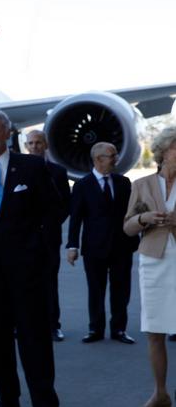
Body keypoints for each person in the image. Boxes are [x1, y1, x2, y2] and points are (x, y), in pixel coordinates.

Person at [0, 110, 59, 407]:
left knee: (35, 341)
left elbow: (54, 211)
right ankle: (7, 398)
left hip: (28, 274)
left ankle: (44, 399)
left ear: (8, 134)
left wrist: (42, 254)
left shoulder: (31, 167)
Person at [122, 126, 176, 407]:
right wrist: (145, 220)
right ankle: (161, 393)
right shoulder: (141, 185)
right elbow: (128, 227)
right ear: (164, 152)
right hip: (153, 262)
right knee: (154, 331)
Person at [66, 142, 139, 345]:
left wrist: (136, 238)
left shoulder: (123, 182)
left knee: (121, 290)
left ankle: (119, 329)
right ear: (98, 159)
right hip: (94, 248)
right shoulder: (82, 185)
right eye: (111, 155)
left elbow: (131, 213)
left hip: (122, 247)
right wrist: (72, 246)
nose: (116, 158)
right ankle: (95, 329)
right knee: (96, 290)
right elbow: (76, 219)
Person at [23, 130, 70, 342]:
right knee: (24, 283)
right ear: (26, 146)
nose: (34, 147)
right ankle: (25, 325)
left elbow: (65, 205)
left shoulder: (58, 172)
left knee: (50, 283)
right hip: (23, 240)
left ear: (46, 145)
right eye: (31, 143)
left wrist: (48, 225)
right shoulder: (17, 170)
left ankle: (53, 326)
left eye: (38, 143)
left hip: (49, 238)